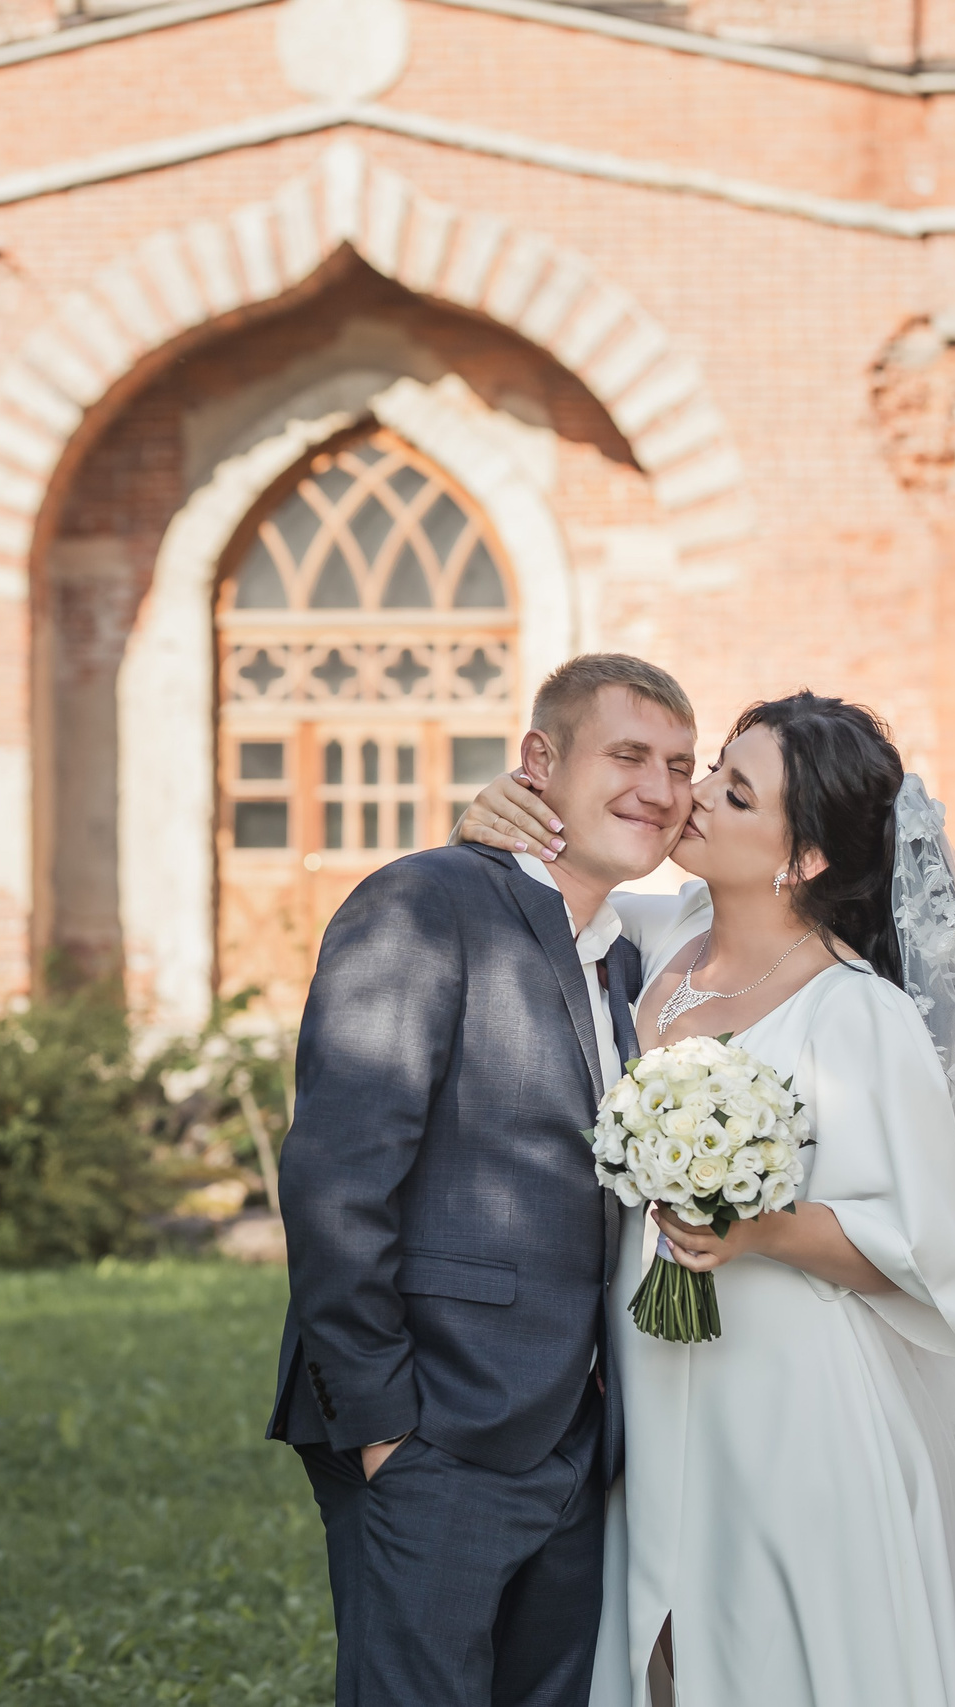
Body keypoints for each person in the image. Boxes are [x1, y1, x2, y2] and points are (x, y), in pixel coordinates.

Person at [457, 691, 955, 1707]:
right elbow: (559, 888)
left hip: (783, 1392)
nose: (694, 795)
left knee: (765, 1651)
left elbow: (929, 1254)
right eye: (713, 768)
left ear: (802, 860)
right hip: (649, 1374)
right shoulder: (654, 945)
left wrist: (760, 1225)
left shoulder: (859, 1014)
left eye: (734, 790)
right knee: (658, 1646)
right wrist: (499, 813)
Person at [268, 654, 699, 1707]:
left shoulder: (628, 958)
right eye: (628, 754)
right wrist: (383, 1429)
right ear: (538, 763)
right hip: (434, 1427)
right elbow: (336, 1176)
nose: (658, 786)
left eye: (682, 765)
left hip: (574, 1433)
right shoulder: (424, 900)